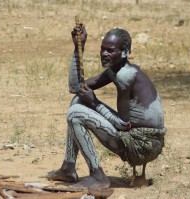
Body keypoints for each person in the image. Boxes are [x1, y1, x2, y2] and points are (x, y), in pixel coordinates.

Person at [46, 25, 166, 190]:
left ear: (125, 52)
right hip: (139, 139)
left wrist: (94, 102)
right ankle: (68, 167)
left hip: (142, 145)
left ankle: (97, 175)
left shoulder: (125, 75)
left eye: (110, 51)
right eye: (102, 49)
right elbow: (76, 87)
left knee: (75, 113)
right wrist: (78, 47)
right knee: (77, 101)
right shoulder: (116, 70)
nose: (104, 54)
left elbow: (124, 124)